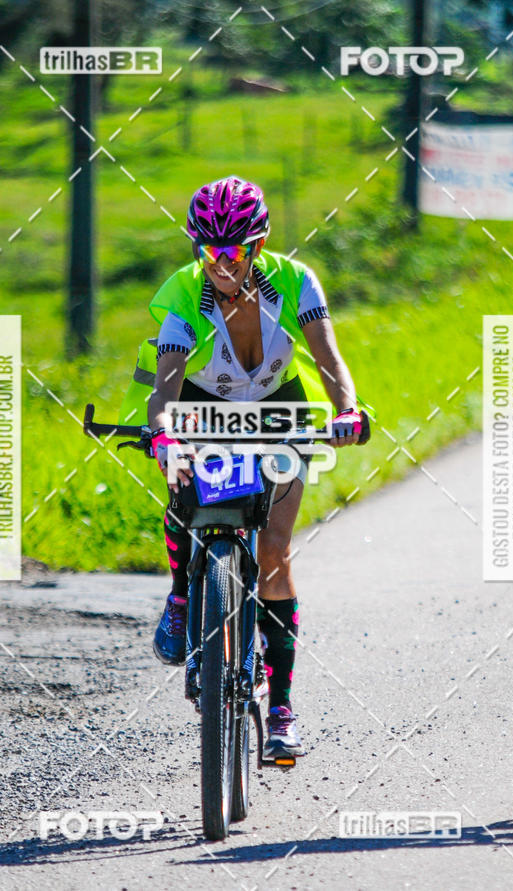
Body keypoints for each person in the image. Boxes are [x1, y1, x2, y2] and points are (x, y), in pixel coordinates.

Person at [119, 175, 370, 757]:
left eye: (233, 250)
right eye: (209, 250)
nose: (221, 263)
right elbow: (165, 387)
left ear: (257, 246)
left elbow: (329, 359)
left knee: (275, 551)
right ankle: (183, 593)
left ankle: (280, 708)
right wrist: (165, 435)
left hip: (280, 408)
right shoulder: (185, 294)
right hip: (203, 405)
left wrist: (347, 411)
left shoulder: (295, 282)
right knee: (186, 492)